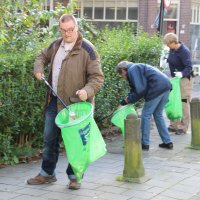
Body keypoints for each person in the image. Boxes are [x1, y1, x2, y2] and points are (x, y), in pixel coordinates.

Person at [27, 14, 104, 189]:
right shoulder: (56, 44)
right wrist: (38, 68)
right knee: (49, 139)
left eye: (70, 30)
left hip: (77, 105)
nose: (67, 34)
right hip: (54, 101)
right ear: (59, 29)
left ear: (76, 28)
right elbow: (41, 56)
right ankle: (47, 173)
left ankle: (75, 176)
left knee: (76, 143)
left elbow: (97, 78)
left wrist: (87, 91)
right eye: (63, 30)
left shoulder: (88, 49)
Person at [115, 61, 173, 151]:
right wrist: (127, 99)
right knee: (158, 115)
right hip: (166, 86)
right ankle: (167, 142)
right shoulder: (137, 68)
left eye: (121, 74)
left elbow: (140, 89)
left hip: (156, 88)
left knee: (145, 115)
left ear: (123, 69)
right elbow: (136, 89)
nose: (122, 77)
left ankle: (144, 144)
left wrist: (127, 100)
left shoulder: (132, 70)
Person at [163, 33, 193, 135]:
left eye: (168, 44)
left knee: (183, 101)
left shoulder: (184, 51)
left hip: (185, 78)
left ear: (174, 42)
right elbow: (171, 62)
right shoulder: (172, 50)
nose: (167, 46)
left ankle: (184, 127)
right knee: (174, 100)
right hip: (175, 78)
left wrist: (182, 73)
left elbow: (189, 67)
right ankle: (173, 125)